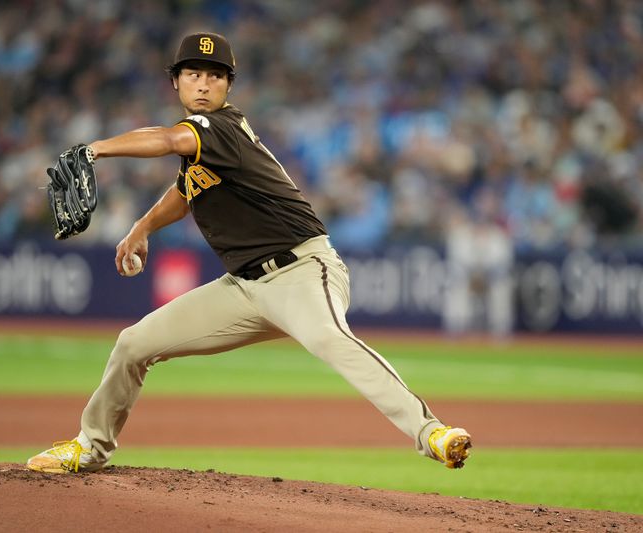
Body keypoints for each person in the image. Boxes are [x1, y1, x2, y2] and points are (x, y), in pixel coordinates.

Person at [26, 32, 472, 473]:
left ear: (229, 85)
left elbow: (165, 139)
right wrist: (143, 226)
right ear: (176, 82)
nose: (203, 84)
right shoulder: (205, 148)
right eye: (193, 73)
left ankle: (431, 432)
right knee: (133, 343)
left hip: (302, 269)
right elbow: (185, 191)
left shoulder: (221, 128)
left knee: (327, 338)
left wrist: (96, 149)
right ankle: (91, 446)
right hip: (243, 287)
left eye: (215, 75)